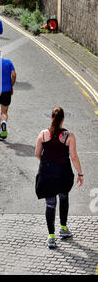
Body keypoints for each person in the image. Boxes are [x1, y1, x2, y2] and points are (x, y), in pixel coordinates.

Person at [35, 107, 84, 249]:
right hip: (63, 174)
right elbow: (73, 157)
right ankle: (63, 228)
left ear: (51, 118)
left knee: (50, 204)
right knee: (63, 198)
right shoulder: (69, 136)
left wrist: (46, 164)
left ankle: (51, 237)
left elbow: (37, 153)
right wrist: (80, 173)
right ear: (63, 119)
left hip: (47, 174)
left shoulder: (43, 134)